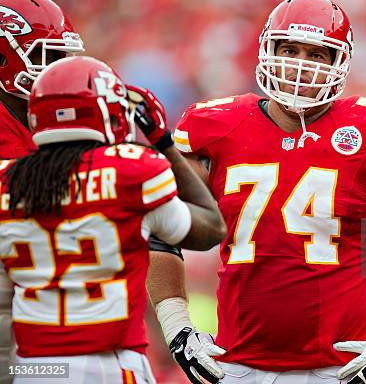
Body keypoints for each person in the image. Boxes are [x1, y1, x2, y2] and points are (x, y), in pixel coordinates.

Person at [148, 0, 366, 384]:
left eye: (316, 55)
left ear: (339, 63)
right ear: (267, 50)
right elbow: (159, 230)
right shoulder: (218, 126)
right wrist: (177, 329)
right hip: (232, 366)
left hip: (339, 371)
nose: (299, 66)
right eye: (289, 49)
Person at [0, 55, 226, 382]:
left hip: (34, 367)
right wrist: (163, 142)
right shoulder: (131, 170)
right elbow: (210, 229)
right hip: (113, 363)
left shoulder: (6, 182)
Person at [0, 0, 85, 382]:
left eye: (64, 58)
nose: (59, 71)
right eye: (46, 58)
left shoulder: (64, 121)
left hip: (57, 313)